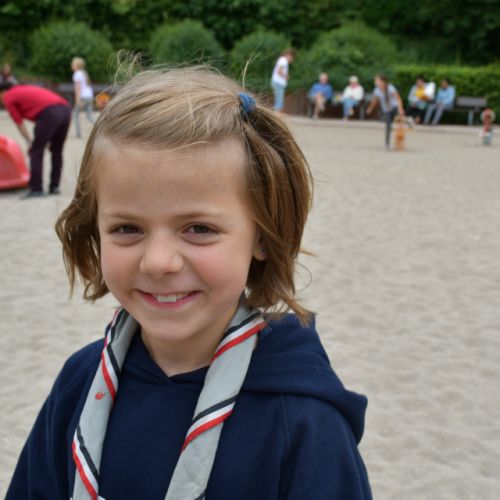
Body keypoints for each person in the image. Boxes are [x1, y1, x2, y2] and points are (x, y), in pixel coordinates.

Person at [6, 66, 372, 499]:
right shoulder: (80, 381)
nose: (159, 262)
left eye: (199, 229)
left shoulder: (306, 421)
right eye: (127, 228)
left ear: (262, 235)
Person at [0, 81, 71, 197]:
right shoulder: (23, 88)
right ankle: (55, 186)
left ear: (2, 92)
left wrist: (29, 141)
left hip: (49, 112)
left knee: (36, 151)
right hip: (66, 109)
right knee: (57, 150)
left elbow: (19, 123)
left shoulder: (9, 97)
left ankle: (36, 188)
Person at [366, 74, 405, 149]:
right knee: (388, 126)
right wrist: (370, 108)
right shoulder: (377, 90)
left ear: (382, 81)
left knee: (400, 121)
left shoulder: (390, 88)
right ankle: (387, 143)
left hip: (394, 108)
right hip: (386, 110)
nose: (375, 82)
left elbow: (398, 98)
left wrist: (400, 109)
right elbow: (375, 100)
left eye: (377, 80)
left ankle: (400, 140)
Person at [71, 56, 95, 138]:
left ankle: (78, 134)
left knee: (75, 115)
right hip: (89, 96)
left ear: (77, 65)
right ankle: (101, 128)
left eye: (73, 64)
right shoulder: (84, 73)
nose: (71, 65)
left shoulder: (77, 74)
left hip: (82, 98)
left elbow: (78, 89)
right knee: (89, 116)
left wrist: (77, 101)